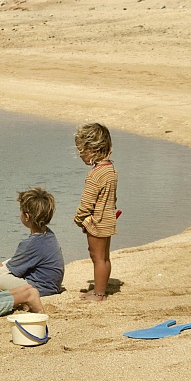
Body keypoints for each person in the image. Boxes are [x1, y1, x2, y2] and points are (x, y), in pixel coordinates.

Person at [0, 187, 65, 296]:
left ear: (26, 216)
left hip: (41, 288)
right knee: (0, 271)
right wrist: (1, 264)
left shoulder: (31, 243)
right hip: (51, 285)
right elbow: (24, 257)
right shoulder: (48, 234)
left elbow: (12, 267)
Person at [74, 122, 118, 301]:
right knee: (105, 258)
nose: (80, 155)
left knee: (96, 257)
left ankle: (99, 293)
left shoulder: (94, 175)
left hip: (97, 222)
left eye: (81, 151)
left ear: (91, 149)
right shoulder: (111, 170)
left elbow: (87, 203)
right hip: (108, 219)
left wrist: (79, 219)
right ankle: (100, 289)